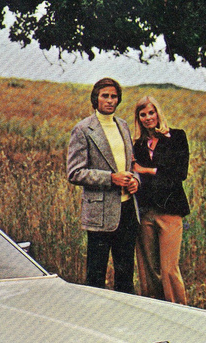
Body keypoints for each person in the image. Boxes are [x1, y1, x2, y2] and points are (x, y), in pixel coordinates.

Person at [66, 77, 140, 293]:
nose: (109, 100)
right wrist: (111, 178)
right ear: (95, 98)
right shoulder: (83, 129)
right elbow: (75, 172)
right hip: (99, 212)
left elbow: (131, 164)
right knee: (95, 276)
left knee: (125, 276)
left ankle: (124, 312)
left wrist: (135, 180)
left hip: (127, 209)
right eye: (105, 96)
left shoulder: (123, 125)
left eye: (114, 96)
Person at [131, 95, 190, 304]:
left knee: (168, 268)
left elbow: (179, 173)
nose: (148, 118)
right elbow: (135, 173)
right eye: (143, 114)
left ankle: (179, 310)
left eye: (151, 112)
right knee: (148, 268)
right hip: (145, 211)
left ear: (158, 113)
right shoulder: (137, 144)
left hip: (170, 210)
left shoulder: (176, 137)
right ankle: (153, 309)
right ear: (138, 118)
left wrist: (146, 170)